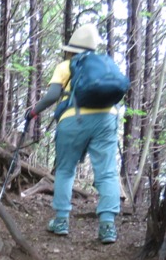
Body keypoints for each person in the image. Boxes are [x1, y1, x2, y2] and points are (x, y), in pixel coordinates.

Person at [25, 23, 121, 244]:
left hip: (73, 119)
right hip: (107, 119)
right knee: (106, 173)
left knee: (65, 170)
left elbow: (51, 96)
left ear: (71, 49)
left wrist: (33, 112)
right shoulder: (106, 65)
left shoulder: (65, 66)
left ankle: (61, 221)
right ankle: (107, 226)